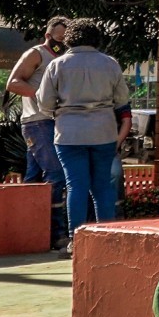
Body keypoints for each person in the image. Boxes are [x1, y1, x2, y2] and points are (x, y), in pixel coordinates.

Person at [36, 18, 131, 255]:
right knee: (102, 186)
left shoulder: (57, 65)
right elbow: (122, 100)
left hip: (69, 133)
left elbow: (44, 104)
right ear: (97, 38)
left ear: (69, 38)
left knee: (76, 185)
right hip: (103, 131)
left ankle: (75, 239)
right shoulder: (110, 64)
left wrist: (60, 112)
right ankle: (107, 237)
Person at [6, 15, 69, 250]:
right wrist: (41, 95)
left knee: (33, 179)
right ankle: (58, 234)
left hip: (58, 122)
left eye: (66, 39)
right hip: (37, 122)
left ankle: (28, 232)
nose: (62, 42)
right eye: (59, 38)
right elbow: (13, 83)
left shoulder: (65, 58)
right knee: (56, 174)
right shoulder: (36, 54)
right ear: (48, 35)